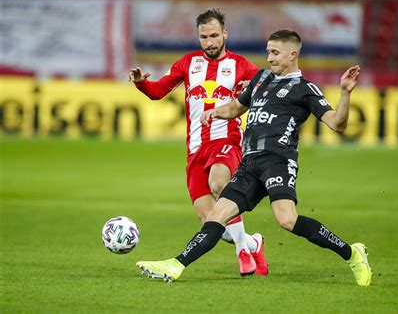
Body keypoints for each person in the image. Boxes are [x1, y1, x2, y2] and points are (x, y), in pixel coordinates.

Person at [135, 29, 372, 286]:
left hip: (277, 161)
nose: (269, 58)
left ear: (293, 54)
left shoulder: (305, 89)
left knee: (287, 220)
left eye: (275, 52)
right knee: (217, 216)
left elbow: (338, 124)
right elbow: (237, 107)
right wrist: (216, 112)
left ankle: (352, 253)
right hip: (249, 163)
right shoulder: (260, 79)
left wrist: (345, 92)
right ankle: (176, 265)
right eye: (268, 51)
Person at [128, 9, 268, 277]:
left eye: (214, 35)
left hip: (226, 141)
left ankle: (242, 252)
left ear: (225, 33)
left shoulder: (241, 65)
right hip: (195, 151)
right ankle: (253, 242)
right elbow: (158, 91)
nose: (210, 42)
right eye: (204, 37)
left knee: (219, 184)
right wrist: (141, 84)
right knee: (211, 222)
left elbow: (268, 85)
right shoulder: (187, 63)